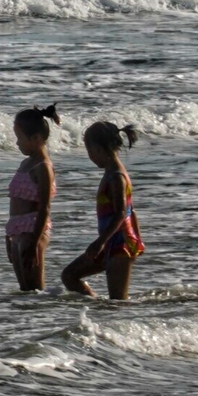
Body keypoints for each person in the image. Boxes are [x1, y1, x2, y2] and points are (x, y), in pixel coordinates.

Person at [62, 121, 145, 300]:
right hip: (109, 242)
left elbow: (122, 212)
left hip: (120, 245)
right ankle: (94, 307)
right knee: (69, 276)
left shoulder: (116, 177)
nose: (90, 156)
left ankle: (113, 317)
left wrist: (100, 242)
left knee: (118, 301)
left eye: (89, 151)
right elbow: (132, 210)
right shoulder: (110, 172)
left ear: (98, 149)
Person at [6, 104, 61, 290]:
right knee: (25, 293)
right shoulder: (25, 164)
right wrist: (9, 236)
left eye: (20, 138)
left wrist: (34, 242)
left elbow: (44, 207)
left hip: (32, 232)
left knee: (35, 291)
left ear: (36, 138)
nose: (17, 143)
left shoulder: (43, 168)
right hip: (17, 231)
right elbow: (15, 204)